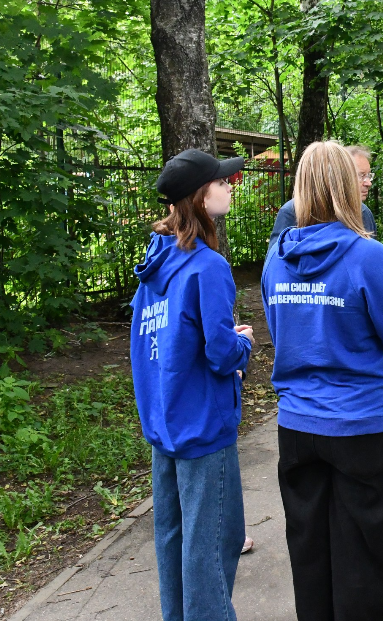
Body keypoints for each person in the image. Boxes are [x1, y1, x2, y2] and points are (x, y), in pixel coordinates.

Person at [262, 141, 383, 621]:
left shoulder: (275, 261)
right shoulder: (368, 257)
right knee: (368, 556)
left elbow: (280, 333)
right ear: (348, 186)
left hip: (298, 425)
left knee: (310, 554)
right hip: (362, 425)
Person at [130, 148, 254, 621]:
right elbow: (221, 354)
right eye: (221, 182)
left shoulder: (155, 260)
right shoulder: (207, 267)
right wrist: (242, 345)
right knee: (213, 541)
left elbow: (157, 341)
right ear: (200, 198)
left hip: (164, 420)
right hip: (202, 426)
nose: (230, 185)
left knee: (174, 536)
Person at [268, 144, 377, 245]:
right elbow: (277, 261)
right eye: (361, 175)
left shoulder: (363, 212)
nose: (368, 183)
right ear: (340, 175)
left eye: (369, 175)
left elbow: (371, 258)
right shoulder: (292, 211)